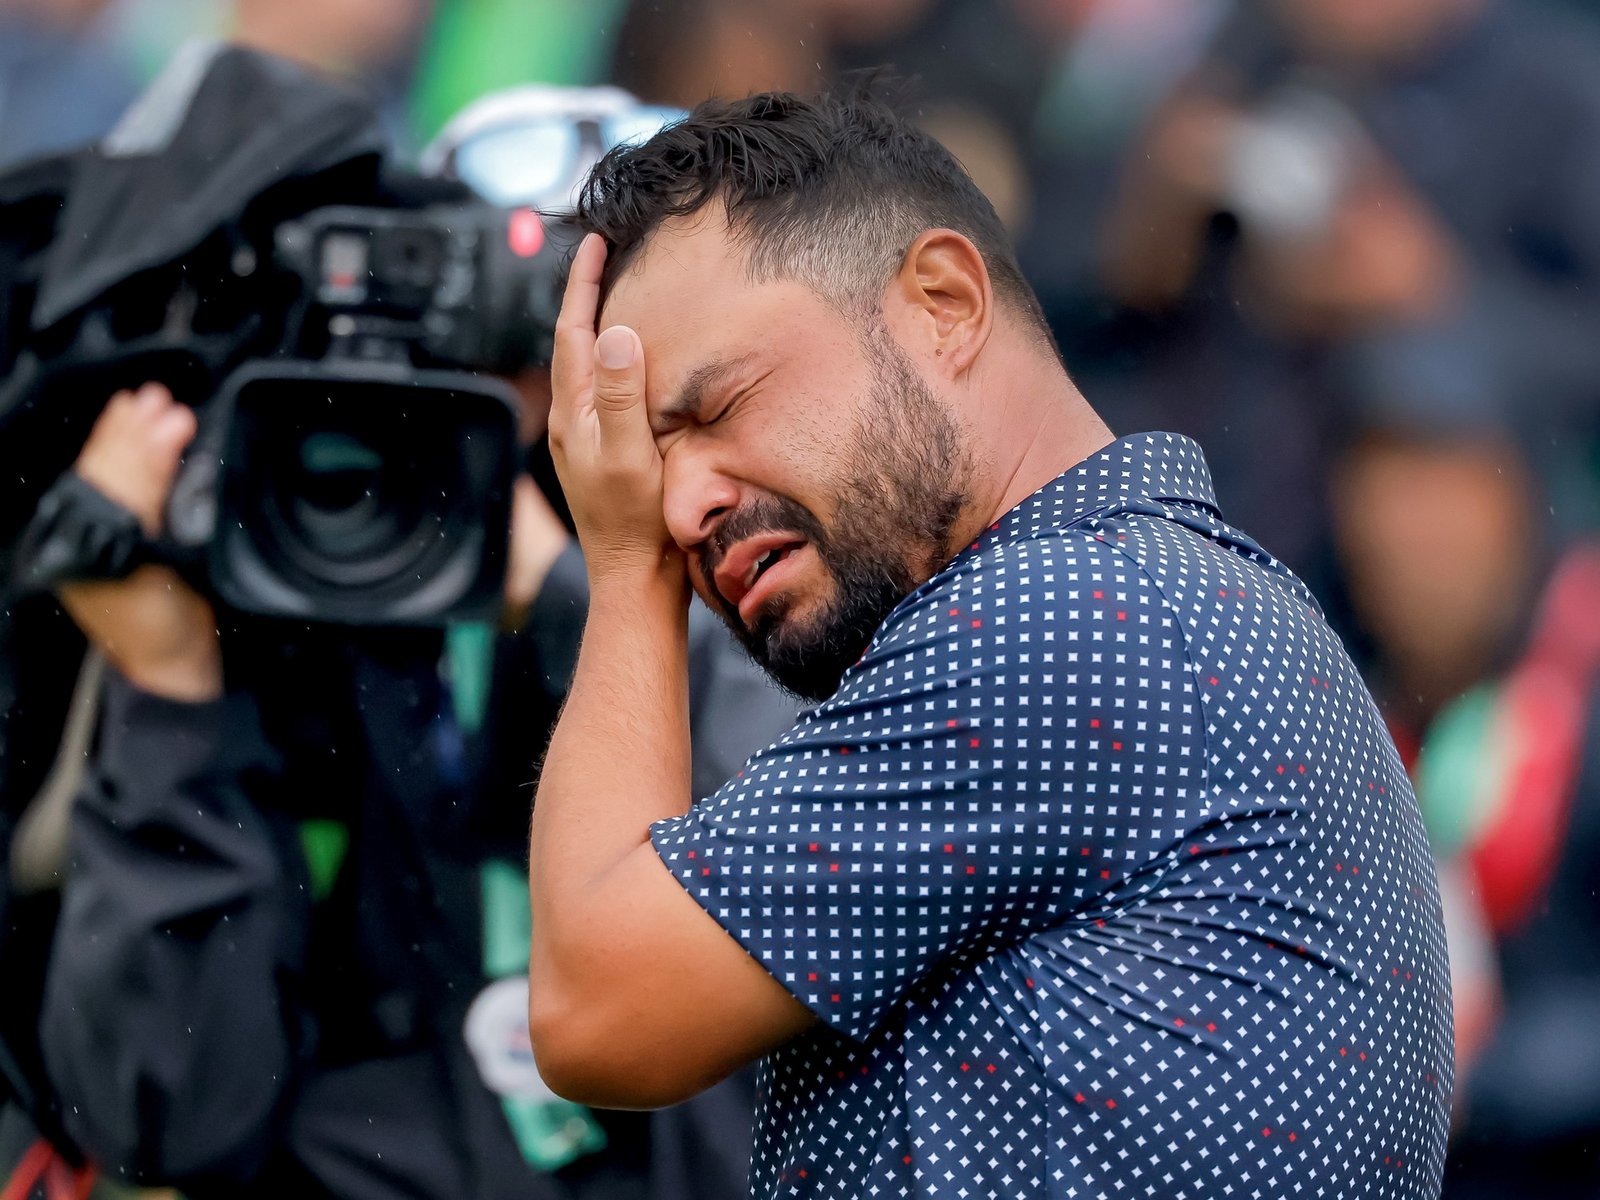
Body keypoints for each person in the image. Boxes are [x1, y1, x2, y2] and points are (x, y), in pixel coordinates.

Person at [524, 85, 1454, 1199]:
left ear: (943, 302)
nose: (678, 507)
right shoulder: (1152, 598)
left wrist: (621, 571)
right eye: (646, 462)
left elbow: (598, 1010)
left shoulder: (1068, 619)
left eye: (714, 410)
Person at [15, 83, 797, 1200]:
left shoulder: (749, 567)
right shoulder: (284, 570)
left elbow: (805, 876)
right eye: (509, 324)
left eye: (611, 352)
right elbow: (164, 1117)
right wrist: (169, 688)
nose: (551, 389)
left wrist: (589, 599)